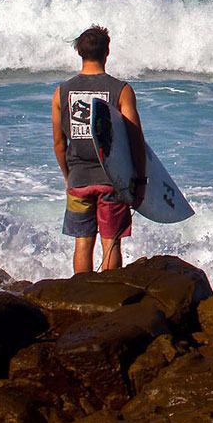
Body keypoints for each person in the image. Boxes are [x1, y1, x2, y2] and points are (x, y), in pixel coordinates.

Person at [51, 25, 146, 274]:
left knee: (82, 243)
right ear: (107, 52)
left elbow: (59, 143)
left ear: (79, 53)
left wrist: (67, 176)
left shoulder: (61, 92)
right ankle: (109, 298)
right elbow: (135, 139)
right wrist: (141, 180)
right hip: (112, 180)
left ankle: (83, 296)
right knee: (111, 243)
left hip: (78, 179)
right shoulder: (121, 90)